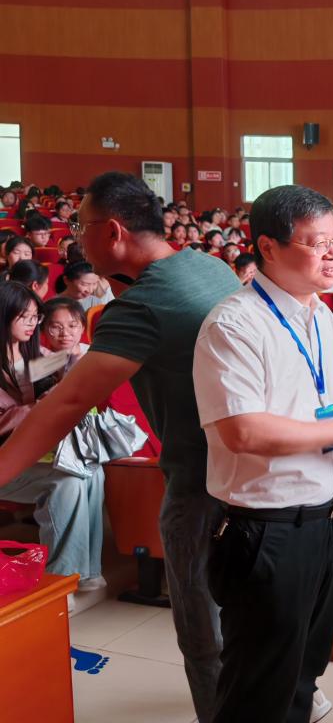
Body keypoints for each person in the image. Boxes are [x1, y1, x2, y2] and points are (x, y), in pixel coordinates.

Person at [0, 171, 241, 723]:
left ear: (112, 232)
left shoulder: (141, 306)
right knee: (244, 609)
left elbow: (67, 402)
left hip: (200, 480)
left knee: (203, 633)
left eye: (80, 229)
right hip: (249, 471)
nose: (75, 241)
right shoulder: (210, 266)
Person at [192, 184, 333, 723]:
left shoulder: (321, 316)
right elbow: (243, 431)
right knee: (258, 690)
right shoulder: (234, 324)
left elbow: (319, 405)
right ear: (268, 248)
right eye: (317, 243)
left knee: (303, 674)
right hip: (266, 532)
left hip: (323, 520)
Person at [0, 282, 106, 593]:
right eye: (24, 317)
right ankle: (59, 580)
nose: (32, 324)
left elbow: (73, 361)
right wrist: (39, 406)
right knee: (66, 481)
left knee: (93, 472)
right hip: (6, 461)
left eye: (35, 317)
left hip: (27, 455)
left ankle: (87, 572)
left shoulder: (33, 356)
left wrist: (75, 359)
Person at [42, 297, 90, 368]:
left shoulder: (93, 354)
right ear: (43, 328)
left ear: (82, 328)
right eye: (56, 327)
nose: (65, 333)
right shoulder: (38, 359)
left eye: (72, 326)